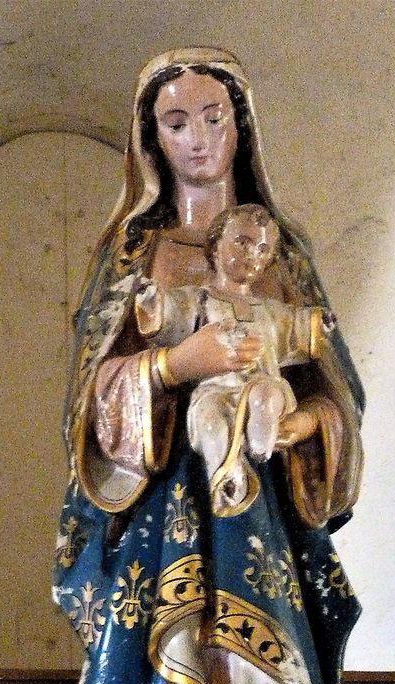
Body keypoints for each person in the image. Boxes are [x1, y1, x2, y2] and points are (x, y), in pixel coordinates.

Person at [53, 48, 395, 684]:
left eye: (214, 118)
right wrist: (179, 365)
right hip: (167, 534)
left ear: (241, 128)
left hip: (261, 538)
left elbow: (337, 396)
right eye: (178, 122)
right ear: (150, 140)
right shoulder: (134, 255)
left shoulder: (281, 251)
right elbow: (87, 415)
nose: (199, 139)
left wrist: (302, 425)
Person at [135, 203, 329, 516]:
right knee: (210, 422)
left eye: (263, 249)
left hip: (263, 385)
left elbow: (297, 326)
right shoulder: (200, 300)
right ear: (215, 246)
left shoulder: (268, 309)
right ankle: (226, 476)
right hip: (215, 389)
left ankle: (260, 445)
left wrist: (321, 323)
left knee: (265, 396)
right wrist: (151, 302)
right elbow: (170, 311)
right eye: (242, 243)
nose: (253, 255)